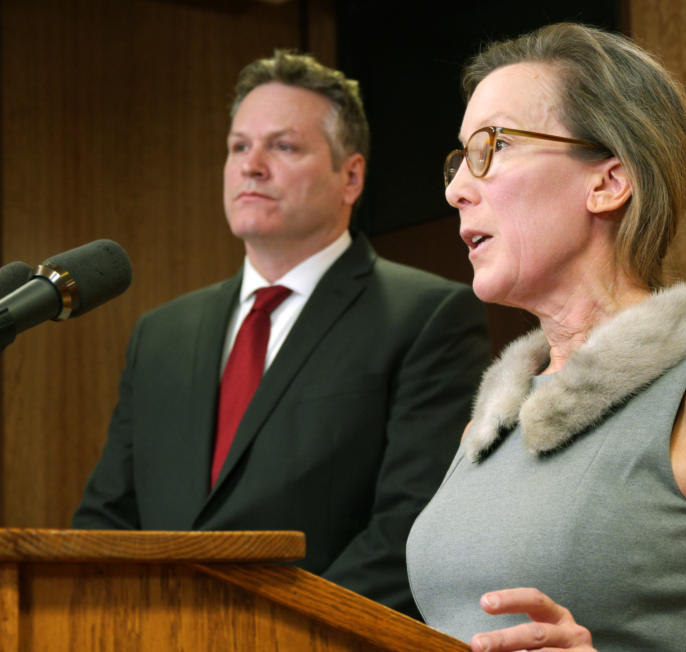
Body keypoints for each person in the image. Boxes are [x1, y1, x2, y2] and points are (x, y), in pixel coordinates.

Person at [406, 22, 686, 650]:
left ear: (608, 182)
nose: (456, 189)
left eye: (493, 146)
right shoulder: (486, 427)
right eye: (461, 158)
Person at [73, 49, 491, 619]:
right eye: (238, 146)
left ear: (351, 177)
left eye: (283, 146)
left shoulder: (428, 317)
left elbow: (408, 531)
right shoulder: (161, 334)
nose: (252, 165)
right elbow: (106, 521)